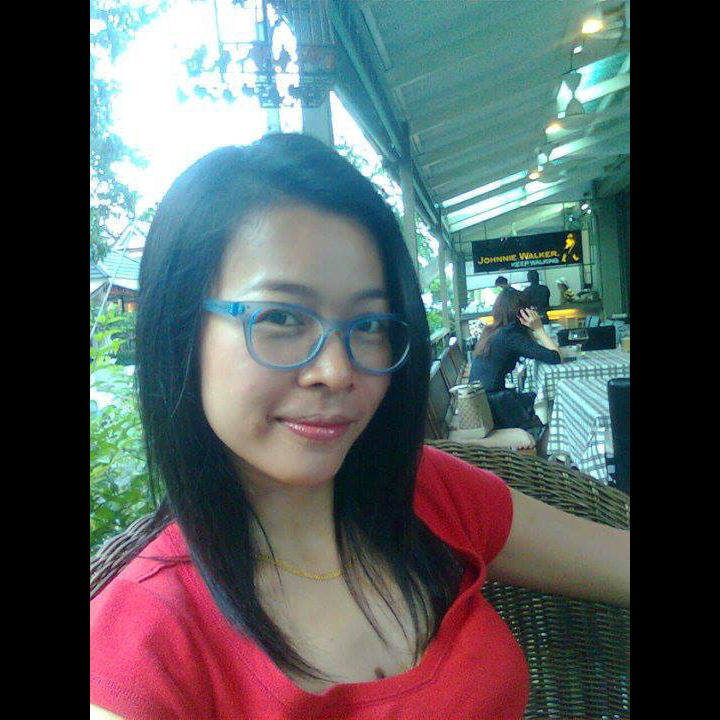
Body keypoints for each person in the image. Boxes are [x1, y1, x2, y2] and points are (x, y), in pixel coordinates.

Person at [90, 134, 629, 720]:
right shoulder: (146, 646)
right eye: (281, 317)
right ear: (180, 332)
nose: (337, 371)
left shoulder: (425, 492)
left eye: (370, 324)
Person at [469, 289, 562, 444]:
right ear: (522, 313)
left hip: (481, 401)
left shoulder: (493, 331)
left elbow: (543, 352)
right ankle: (547, 449)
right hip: (494, 406)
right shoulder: (510, 336)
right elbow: (555, 357)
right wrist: (539, 328)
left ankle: (547, 447)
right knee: (544, 407)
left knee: (538, 401)